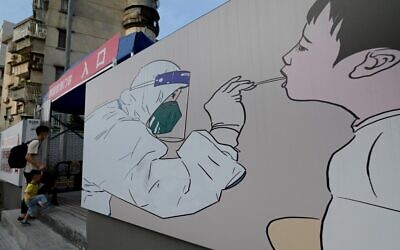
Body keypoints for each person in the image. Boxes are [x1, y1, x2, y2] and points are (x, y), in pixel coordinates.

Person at [267, 0, 400, 249]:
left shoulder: (379, 153)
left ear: (373, 62)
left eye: (304, 46)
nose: (287, 56)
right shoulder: (372, 141)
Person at [82, 60, 255, 218]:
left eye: (179, 96)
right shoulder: (112, 128)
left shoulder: (117, 117)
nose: (175, 105)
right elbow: (165, 194)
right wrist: (224, 130)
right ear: (149, 94)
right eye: (172, 96)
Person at [18, 125, 50, 221]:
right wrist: (40, 166)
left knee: (30, 192)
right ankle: (25, 212)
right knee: (30, 191)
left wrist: (40, 166)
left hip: (32, 171)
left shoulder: (37, 142)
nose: (47, 135)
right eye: (46, 133)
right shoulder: (36, 142)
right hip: (31, 172)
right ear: (42, 133)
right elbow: (28, 157)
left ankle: (25, 213)